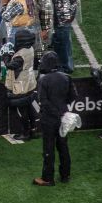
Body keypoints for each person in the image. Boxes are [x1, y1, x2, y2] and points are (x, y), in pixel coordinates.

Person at [33, 51, 74, 186]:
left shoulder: (43, 80)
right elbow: (73, 96)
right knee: (63, 146)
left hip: (49, 119)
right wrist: (62, 109)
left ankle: (48, 178)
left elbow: (43, 102)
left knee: (48, 148)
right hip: (63, 117)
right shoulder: (66, 77)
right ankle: (65, 175)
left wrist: (55, 112)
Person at [42, 0, 80, 73]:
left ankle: (65, 67)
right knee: (60, 41)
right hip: (58, 13)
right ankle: (63, 65)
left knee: (62, 42)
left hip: (63, 15)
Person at [3, 30, 39, 141]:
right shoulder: (30, 49)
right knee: (29, 107)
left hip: (20, 84)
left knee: (22, 110)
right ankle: (33, 129)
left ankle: (25, 133)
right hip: (29, 81)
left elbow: (10, 65)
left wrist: (5, 56)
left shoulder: (20, 55)